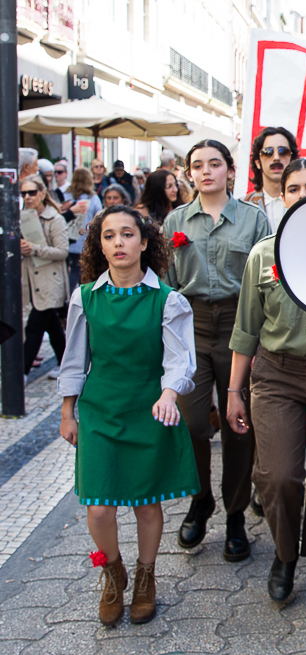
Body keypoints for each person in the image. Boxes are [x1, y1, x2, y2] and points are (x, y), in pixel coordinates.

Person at [57, 205, 199, 626]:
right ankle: (113, 572)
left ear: (144, 241)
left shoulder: (167, 300)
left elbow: (180, 361)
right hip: (100, 410)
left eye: (126, 234)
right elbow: (73, 359)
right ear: (99, 245)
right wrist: (68, 413)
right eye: (108, 236)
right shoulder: (85, 298)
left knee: (145, 503)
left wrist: (169, 394)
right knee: (99, 507)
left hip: (148, 408)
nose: (118, 243)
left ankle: (146, 577)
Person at [227, 158, 306, 611]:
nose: (301, 194)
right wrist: (235, 391)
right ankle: (284, 556)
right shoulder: (264, 254)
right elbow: (245, 330)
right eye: (292, 188)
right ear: (282, 196)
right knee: (278, 477)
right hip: (277, 376)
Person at [163, 139, 271, 561]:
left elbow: (268, 280)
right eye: (197, 165)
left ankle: (236, 515)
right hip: (190, 324)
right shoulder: (175, 220)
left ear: (229, 169)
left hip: (239, 323)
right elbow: (168, 286)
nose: (205, 171)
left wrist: (262, 338)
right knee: (190, 425)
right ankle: (200, 499)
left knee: (238, 426)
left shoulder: (254, 219)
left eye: (214, 164)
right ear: (189, 173)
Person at [20, 176, 69, 379]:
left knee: (35, 326)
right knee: (53, 327)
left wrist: (35, 249)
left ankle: (20, 371)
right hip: (31, 278)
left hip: (51, 280)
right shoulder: (23, 217)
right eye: (24, 193)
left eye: (32, 192)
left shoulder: (55, 219)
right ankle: (66, 365)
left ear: (42, 193)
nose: (28, 197)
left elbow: (62, 251)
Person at [245, 126, 297, 231]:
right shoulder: (243, 206)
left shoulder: (304, 201)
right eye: (268, 152)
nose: (276, 157)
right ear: (258, 162)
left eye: (283, 151)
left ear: (292, 159)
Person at [64, 168, 102, 294]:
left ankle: (68, 296)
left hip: (68, 238)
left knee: (73, 268)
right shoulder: (93, 198)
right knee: (82, 269)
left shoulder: (66, 196)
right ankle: (82, 295)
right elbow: (99, 216)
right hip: (84, 239)